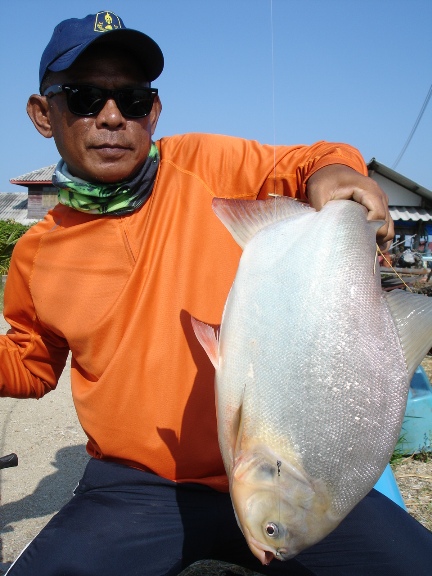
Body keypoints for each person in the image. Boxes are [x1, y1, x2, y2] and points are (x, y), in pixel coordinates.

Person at [1, 10, 430, 576]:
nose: (110, 117)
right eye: (83, 98)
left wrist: (335, 171)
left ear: (153, 111)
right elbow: (32, 364)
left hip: (289, 477)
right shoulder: (38, 250)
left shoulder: (205, 162)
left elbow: (311, 159)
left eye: (131, 100)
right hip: (136, 485)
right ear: (42, 113)